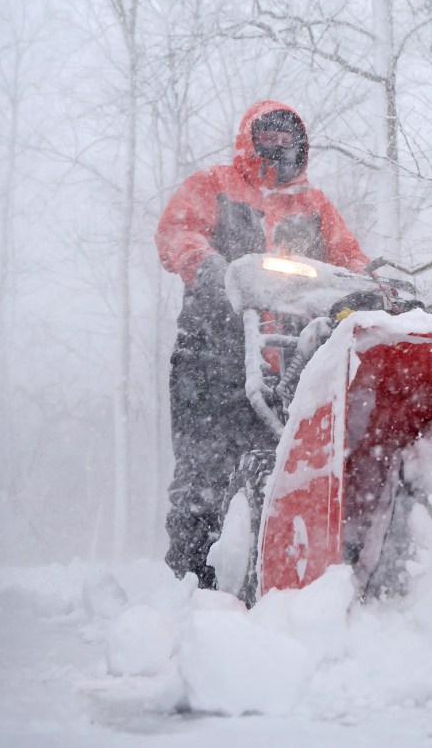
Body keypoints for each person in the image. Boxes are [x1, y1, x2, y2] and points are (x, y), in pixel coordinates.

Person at [155, 100, 369, 599]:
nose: (277, 146)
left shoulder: (314, 206)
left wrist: (369, 285)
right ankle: (191, 588)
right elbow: (176, 231)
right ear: (249, 140)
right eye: (267, 137)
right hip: (212, 355)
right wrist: (209, 267)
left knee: (280, 468)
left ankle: (273, 581)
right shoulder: (214, 185)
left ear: (300, 145)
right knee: (203, 473)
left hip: (286, 361)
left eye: (286, 138)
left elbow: (349, 260)